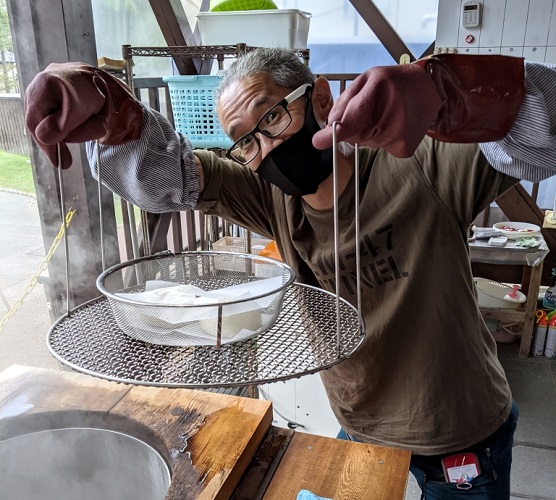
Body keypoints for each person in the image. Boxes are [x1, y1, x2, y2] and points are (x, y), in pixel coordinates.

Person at [24, 48, 556, 499]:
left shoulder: (419, 162)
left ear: (320, 98)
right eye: (245, 141)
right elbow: (175, 177)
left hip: (459, 431)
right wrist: (117, 121)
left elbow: (545, 135)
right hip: (361, 422)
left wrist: (453, 89)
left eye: (274, 117)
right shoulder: (269, 194)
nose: (267, 148)